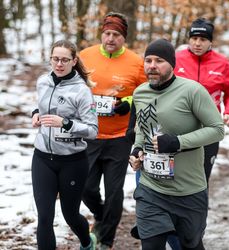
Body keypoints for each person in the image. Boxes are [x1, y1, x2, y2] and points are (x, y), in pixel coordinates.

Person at [129, 38, 224, 250]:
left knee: (191, 245)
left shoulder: (193, 91)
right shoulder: (140, 93)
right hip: (151, 188)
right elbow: (143, 131)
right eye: (148, 60)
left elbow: (217, 129)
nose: (152, 65)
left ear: (172, 64)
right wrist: (136, 151)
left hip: (188, 190)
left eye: (159, 60)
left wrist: (177, 142)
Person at [79, 12, 147, 250]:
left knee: (114, 191)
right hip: (90, 134)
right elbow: (74, 86)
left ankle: (105, 241)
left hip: (119, 136)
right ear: (101, 34)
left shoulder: (136, 62)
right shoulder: (85, 56)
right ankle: (100, 216)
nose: (110, 38)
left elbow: (144, 93)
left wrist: (127, 102)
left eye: (116, 34)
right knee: (85, 186)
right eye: (107, 33)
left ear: (123, 37)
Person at [31, 40, 98, 250]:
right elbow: (43, 106)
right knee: (44, 217)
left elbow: (93, 130)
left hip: (72, 162)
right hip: (42, 157)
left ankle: (87, 242)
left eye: (64, 60)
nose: (59, 64)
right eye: (55, 59)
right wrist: (35, 114)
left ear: (74, 61)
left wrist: (66, 123)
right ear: (50, 59)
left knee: (70, 215)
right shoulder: (43, 81)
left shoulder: (82, 91)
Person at [174, 17, 229, 184]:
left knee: (202, 178)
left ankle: (198, 209)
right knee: (177, 176)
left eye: (203, 39)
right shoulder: (176, 59)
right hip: (179, 127)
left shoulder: (222, 63)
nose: (197, 43)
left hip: (209, 128)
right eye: (194, 38)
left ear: (210, 42)